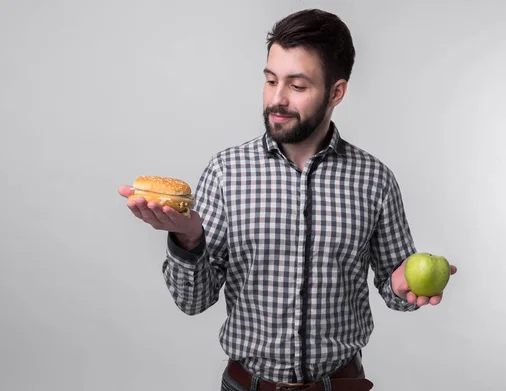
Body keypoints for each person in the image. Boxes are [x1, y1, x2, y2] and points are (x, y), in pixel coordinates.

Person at [119, 8, 457, 391]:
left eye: (297, 86)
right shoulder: (226, 172)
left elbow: (398, 289)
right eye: (270, 80)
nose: (276, 99)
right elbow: (193, 301)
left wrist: (400, 287)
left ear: (336, 92)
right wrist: (188, 240)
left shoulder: (374, 179)